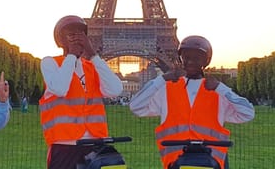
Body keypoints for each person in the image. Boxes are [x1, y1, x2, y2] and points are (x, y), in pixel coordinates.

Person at [130, 35, 255, 169]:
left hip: (210, 162)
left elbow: (248, 113)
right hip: (178, 162)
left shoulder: (218, 92)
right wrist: (162, 79)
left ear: (205, 61)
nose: (190, 62)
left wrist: (221, 88)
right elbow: (136, 106)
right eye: (186, 57)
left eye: (196, 58)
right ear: (181, 58)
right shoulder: (167, 89)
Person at [39, 15, 123, 169]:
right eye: (71, 35)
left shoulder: (92, 67)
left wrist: (94, 56)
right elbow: (60, 88)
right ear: (60, 40)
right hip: (65, 145)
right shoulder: (50, 63)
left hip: (96, 143)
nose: (76, 38)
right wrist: (71, 55)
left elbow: (115, 90)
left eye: (80, 34)